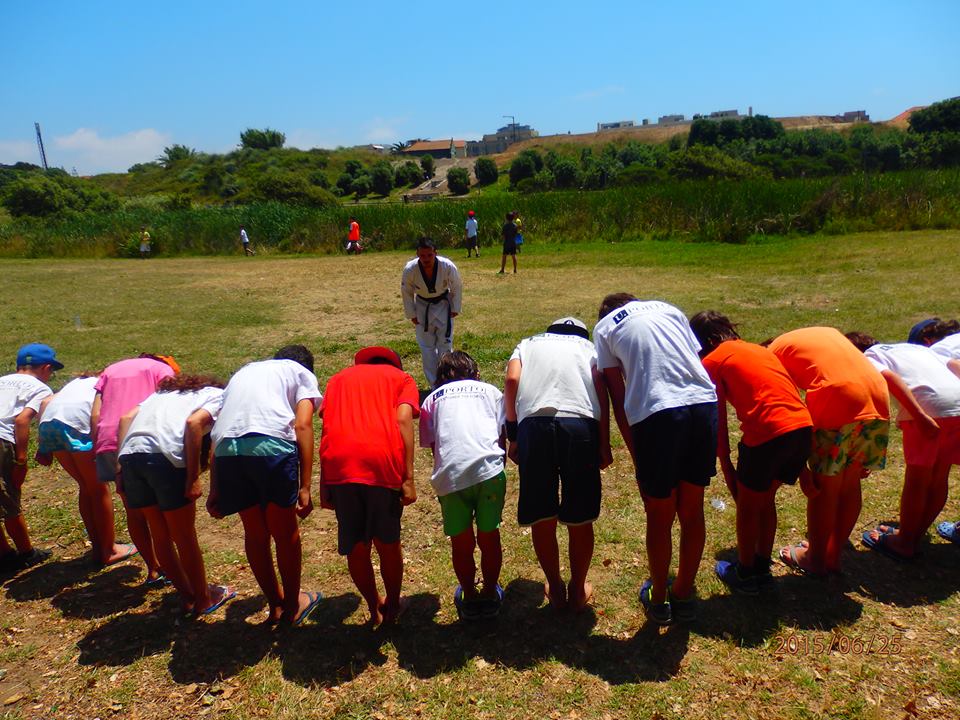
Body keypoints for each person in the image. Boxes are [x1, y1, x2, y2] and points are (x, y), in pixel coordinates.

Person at [594, 295, 717, 625]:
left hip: (656, 414)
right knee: (692, 509)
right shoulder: (670, 308)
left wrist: (637, 455)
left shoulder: (604, 327)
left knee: (659, 514)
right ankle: (684, 591)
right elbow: (694, 358)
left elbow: (618, 397)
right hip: (703, 403)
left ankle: (659, 597)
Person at [689, 312, 813, 595]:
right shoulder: (759, 350)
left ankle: (745, 573)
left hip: (768, 434)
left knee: (747, 507)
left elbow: (715, 418)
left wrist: (724, 461)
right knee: (765, 499)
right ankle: (760, 566)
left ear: (703, 341)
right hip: (803, 428)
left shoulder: (712, 361)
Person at [208, 345, 321, 625]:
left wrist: (215, 488)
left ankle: (275, 604)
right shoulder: (300, 373)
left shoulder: (245, 372)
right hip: (270, 446)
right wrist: (306, 486)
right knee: (285, 534)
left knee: (255, 533)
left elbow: (222, 428)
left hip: (227, 452)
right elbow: (303, 426)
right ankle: (293, 605)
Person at [505, 318, 611, 612]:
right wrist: (604, 441)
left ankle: (555, 585)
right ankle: (578, 588)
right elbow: (601, 392)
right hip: (580, 425)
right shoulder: (589, 348)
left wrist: (513, 434)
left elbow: (512, 380)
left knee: (541, 513)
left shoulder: (527, 344)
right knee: (580, 515)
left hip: (534, 426)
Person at [768, 327, 889, 576]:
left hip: (839, 394)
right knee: (850, 483)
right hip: (877, 392)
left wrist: (800, 467)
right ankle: (832, 556)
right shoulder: (821, 334)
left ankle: (815, 559)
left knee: (825, 489)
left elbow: (786, 411)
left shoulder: (770, 356)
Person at [118, 375, 235, 616]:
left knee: (160, 533)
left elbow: (125, 418)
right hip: (164, 458)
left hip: (131, 455)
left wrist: (120, 470)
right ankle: (203, 599)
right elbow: (194, 424)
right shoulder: (216, 396)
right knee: (184, 536)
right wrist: (193, 477)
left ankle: (188, 596)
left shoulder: (159, 395)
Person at [318, 346, 419, 625]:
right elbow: (403, 420)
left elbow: (327, 427)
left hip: (340, 463)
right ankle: (393, 608)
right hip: (379, 461)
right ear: (394, 365)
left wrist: (324, 480)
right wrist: (408, 478)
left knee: (356, 546)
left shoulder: (337, 379)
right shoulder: (402, 379)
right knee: (388, 542)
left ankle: (374, 607)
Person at [844, 332, 960, 560]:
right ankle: (912, 536)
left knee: (918, 479)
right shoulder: (919, 350)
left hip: (929, 407)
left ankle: (904, 542)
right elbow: (955, 366)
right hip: (957, 403)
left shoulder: (870, 355)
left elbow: (887, 377)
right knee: (939, 475)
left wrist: (918, 415)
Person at [420, 351, 506, 620]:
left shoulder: (431, 400)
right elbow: (500, 435)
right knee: (489, 537)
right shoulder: (491, 392)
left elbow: (434, 446)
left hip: (450, 477)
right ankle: (490, 592)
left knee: (461, 543)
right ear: (475, 373)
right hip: (488, 471)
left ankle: (469, 593)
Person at [93, 354, 181, 585]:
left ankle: (153, 568)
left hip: (108, 440)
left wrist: (99, 445)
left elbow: (95, 413)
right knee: (162, 511)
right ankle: (174, 567)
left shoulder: (111, 368)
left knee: (133, 509)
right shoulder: (161, 370)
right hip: (142, 438)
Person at [37, 373, 137, 566]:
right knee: (99, 488)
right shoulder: (106, 384)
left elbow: (46, 402)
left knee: (86, 486)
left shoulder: (75, 384)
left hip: (49, 424)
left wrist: (42, 446)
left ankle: (98, 546)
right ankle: (109, 550)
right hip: (76, 424)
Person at [0, 344, 60, 573]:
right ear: (46, 368)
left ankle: (4, 553)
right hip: (2, 440)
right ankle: (27, 552)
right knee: (9, 497)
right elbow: (22, 421)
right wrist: (21, 461)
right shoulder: (41, 388)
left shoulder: (2, 379)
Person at [401, 237, 463, 387]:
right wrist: (412, 314)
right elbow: (406, 291)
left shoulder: (446, 266)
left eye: (429, 255)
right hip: (423, 306)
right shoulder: (410, 269)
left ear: (436, 253)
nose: (426, 259)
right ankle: (434, 384)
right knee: (426, 347)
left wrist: (455, 308)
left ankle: (447, 380)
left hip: (443, 305)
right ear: (417, 254)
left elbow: (457, 286)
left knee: (445, 345)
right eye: (422, 256)